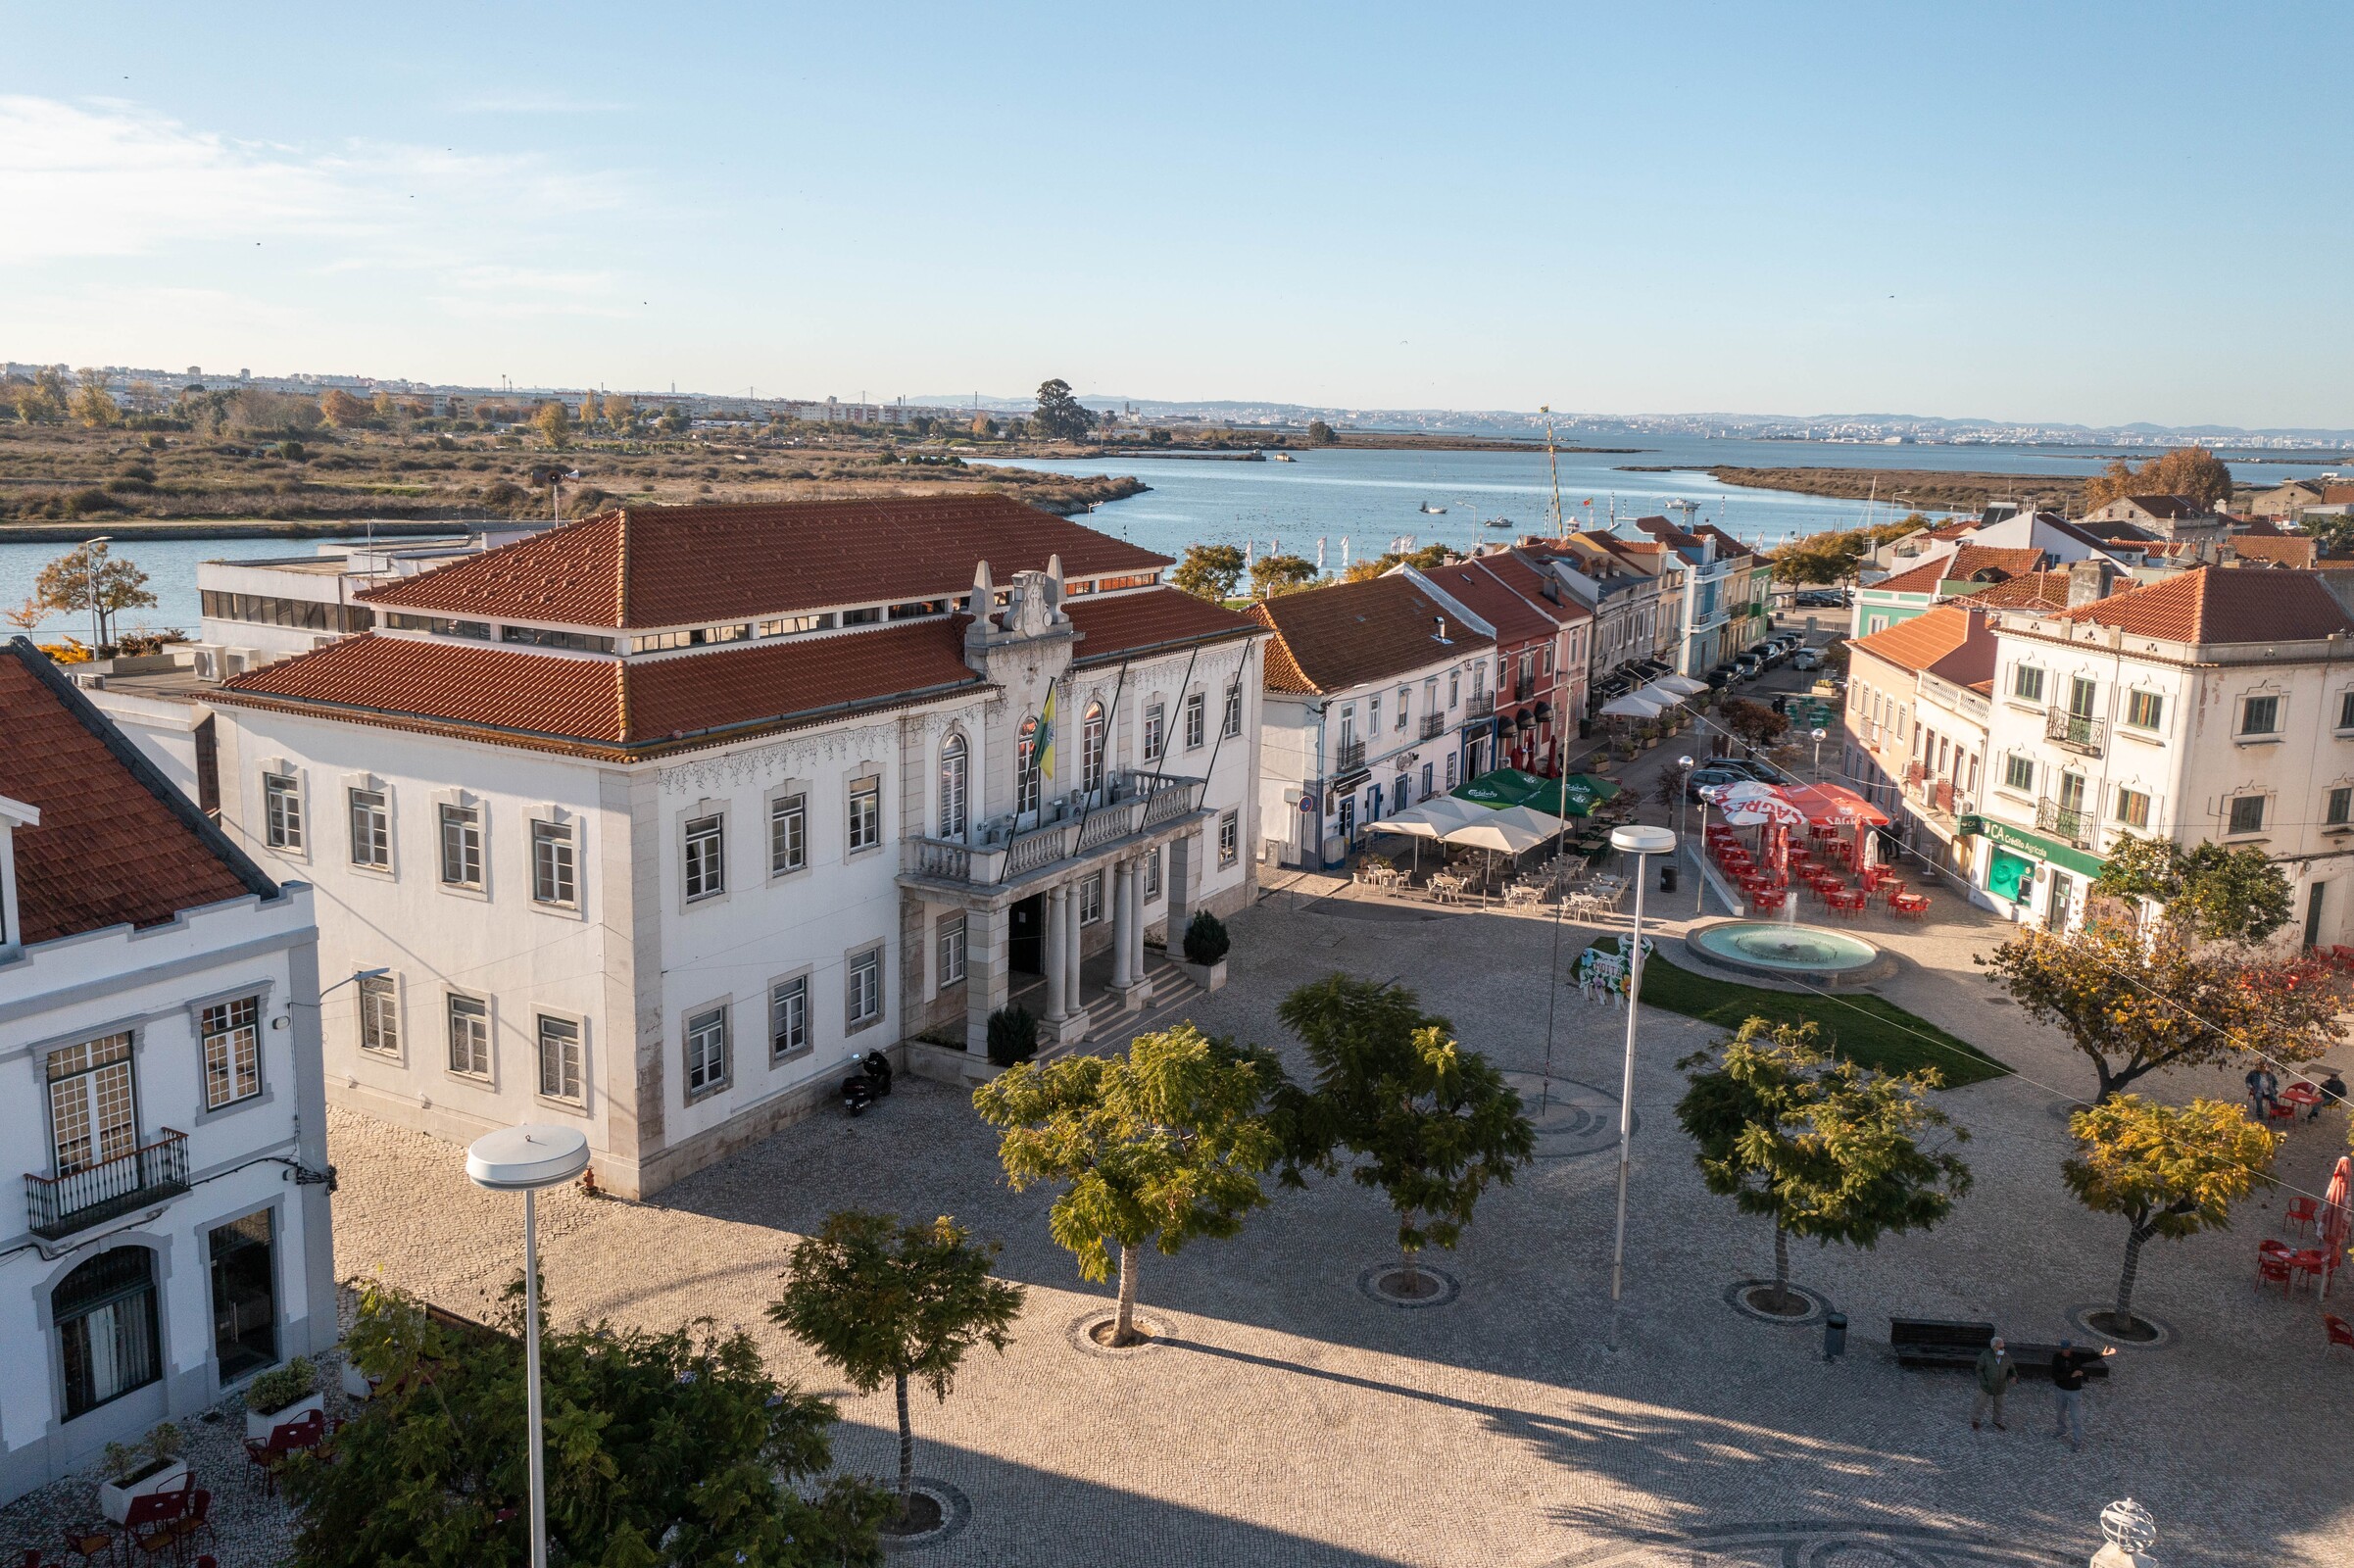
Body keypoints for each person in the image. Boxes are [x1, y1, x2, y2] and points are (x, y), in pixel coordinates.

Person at [2049, 1339, 2114, 1450]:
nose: (2065, 1351)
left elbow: (2090, 1357)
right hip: (2060, 1390)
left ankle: (2077, 1441)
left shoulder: (2076, 1356)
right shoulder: (2057, 1358)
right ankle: (2061, 1430)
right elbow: (2055, 1375)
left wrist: (2102, 1354)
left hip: (2074, 1392)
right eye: (2063, 1349)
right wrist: (2071, 1375)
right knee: (2060, 1413)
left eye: (2067, 1349)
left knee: (2076, 1417)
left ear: (2070, 1348)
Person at [1971, 1337, 2018, 1431]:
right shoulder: (1985, 1356)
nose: (2002, 1350)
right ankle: (1976, 1420)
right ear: (1994, 1347)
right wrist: (1984, 1382)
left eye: (2003, 1347)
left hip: (2000, 1386)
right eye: (2000, 1348)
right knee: (1981, 1403)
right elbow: (1979, 1370)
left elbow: (2012, 1368)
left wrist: (2014, 1376)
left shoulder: (2006, 1357)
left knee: (1999, 1405)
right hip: (1987, 1385)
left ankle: (1997, 1421)